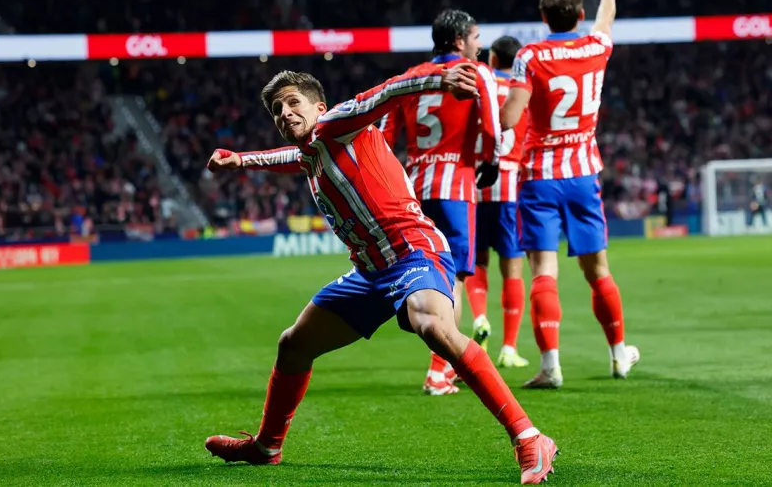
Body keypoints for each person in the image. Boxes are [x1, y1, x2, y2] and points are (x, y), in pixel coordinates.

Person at [203, 63, 558, 484]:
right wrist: (239, 161)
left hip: (414, 251)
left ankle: (529, 436)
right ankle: (267, 446)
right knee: (293, 345)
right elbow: (287, 158)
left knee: (432, 326)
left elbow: (386, 92)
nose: (284, 113)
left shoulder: (339, 123)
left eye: (293, 103)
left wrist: (436, 79)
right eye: (277, 110)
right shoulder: (312, 151)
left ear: (320, 107)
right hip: (370, 272)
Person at [498, 0, 639, 388]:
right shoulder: (596, 47)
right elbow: (606, 19)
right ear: (579, 16)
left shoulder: (530, 56)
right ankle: (618, 356)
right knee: (598, 270)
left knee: (543, 270)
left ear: (544, 19)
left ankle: (551, 367)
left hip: (540, 175)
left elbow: (509, 119)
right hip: (582, 173)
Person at [381, 9, 502, 395]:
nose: (479, 45)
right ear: (459, 40)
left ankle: (439, 365)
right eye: (476, 37)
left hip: (414, 190)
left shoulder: (409, 77)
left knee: (422, 275)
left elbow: (385, 136)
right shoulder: (475, 72)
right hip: (456, 189)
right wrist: (492, 163)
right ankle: (440, 371)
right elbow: (492, 128)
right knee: (454, 281)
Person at [464, 36, 531, 369]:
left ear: (491, 57)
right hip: (509, 187)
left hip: (475, 185)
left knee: (477, 262)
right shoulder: (523, 92)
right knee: (512, 267)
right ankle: (509, 347)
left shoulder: (480, 87)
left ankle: (479, 318)